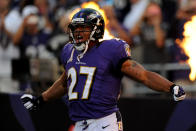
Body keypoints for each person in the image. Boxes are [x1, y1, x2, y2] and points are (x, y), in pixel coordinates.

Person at [20, 8, 186, 131]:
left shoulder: (110, 50)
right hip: (79, 124)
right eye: (75, 29)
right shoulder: (68, 51)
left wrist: (170, 87)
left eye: (83, 29)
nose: (77, 33)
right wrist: (41, 99)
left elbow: (143, 76)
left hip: (105, 123)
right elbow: (65, 82)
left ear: (96, 30)